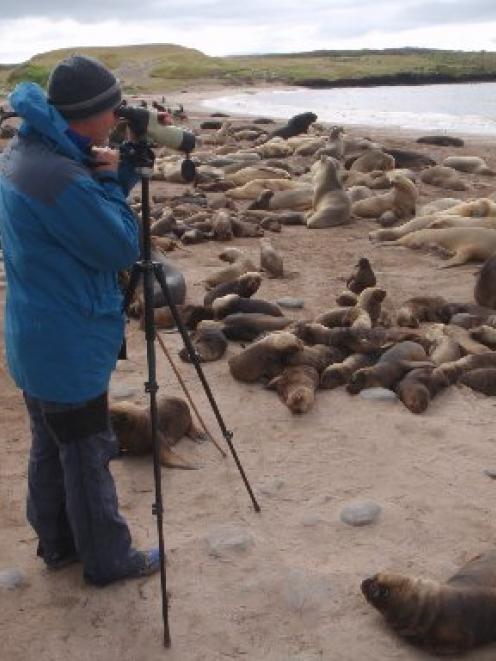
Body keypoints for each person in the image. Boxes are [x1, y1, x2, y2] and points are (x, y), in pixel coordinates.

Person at [0, 54, 161, 586]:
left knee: (53, 444)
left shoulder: (31, 151)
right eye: (111, 105)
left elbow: (74, 229)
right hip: (67, 339)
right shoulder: (60, 176)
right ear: (87, 114)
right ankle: (109, 561)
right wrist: (120, 182)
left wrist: (106, 177)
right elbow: (118, 247)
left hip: (36, 333)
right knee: (87, 451)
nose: (118, 112)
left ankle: (57, 544)